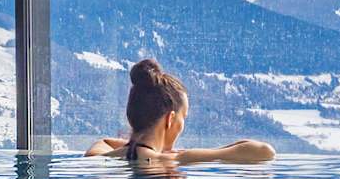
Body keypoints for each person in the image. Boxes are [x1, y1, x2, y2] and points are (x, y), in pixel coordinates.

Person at [85, 58, 276, 164]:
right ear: (170, 119)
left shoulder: (98, 158)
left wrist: (136, 144)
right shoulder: (172, 160)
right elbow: (265, 152)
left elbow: (104, 142)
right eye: (183, 118)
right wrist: (187, 153)